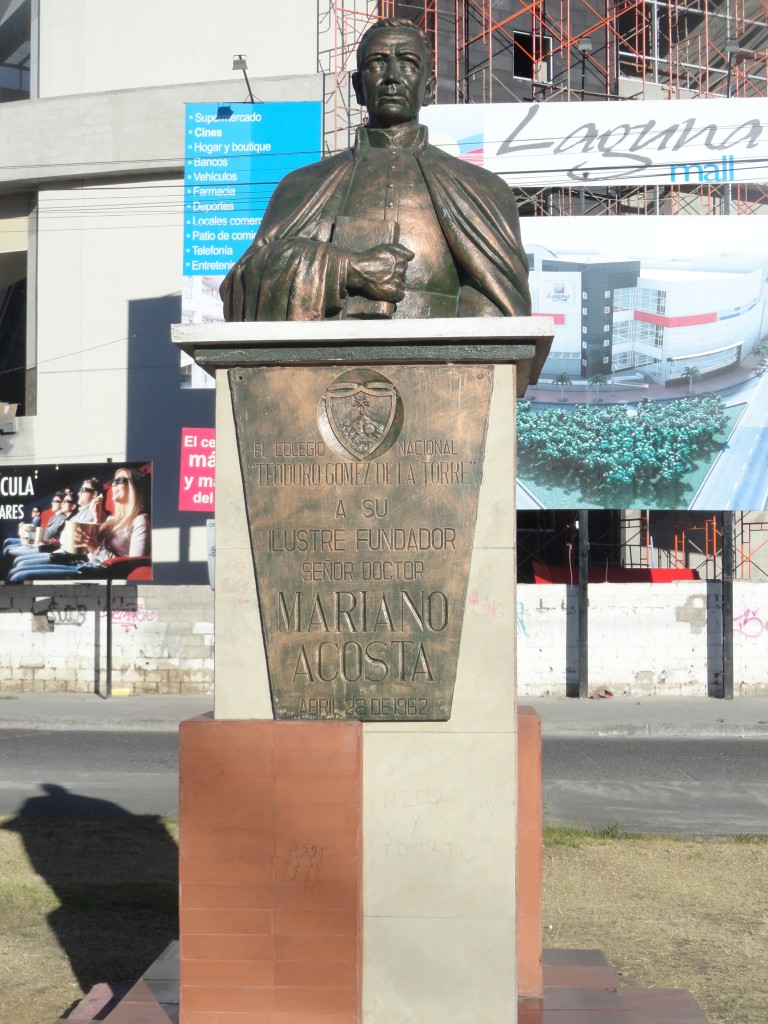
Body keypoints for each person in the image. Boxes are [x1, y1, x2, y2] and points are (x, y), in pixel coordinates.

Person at [220, 17, 530, 322]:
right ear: (358, 86)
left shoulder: (482, 187)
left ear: (430, 88)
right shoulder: (303, 184)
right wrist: (345, 269)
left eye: (407, 62)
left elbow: (501, 306)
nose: (392, 77)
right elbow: (242, 283)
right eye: (377, 63)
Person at [7, 470, 150, 582]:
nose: (113, 484)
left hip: (94, 572)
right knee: (15, 569)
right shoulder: (112, 519)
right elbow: (89, 544)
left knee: (17, 574)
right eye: (113, 480)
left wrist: (95, 548)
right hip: (84, 563)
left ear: (134, 486)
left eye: (119, 480)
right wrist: (96, 520)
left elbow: (134, 567)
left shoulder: (140, 521)